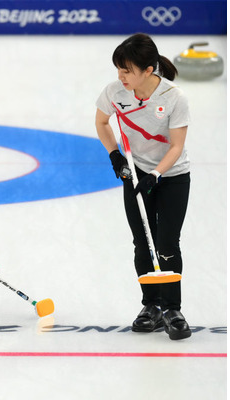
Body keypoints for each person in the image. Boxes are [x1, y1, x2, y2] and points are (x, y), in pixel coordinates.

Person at [95, 33, 191, 340]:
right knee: (142, 242)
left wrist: (156, 175)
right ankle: (151, 306)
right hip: (135, 174)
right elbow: (101, 122)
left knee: (166, 244)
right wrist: (114, 156)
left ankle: (172, 309)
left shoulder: (174, 98)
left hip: (172, 176)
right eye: (118, 70)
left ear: (148, 71)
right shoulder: (114, 93)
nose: (121, 77)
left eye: (127, 71)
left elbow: (176, 146)